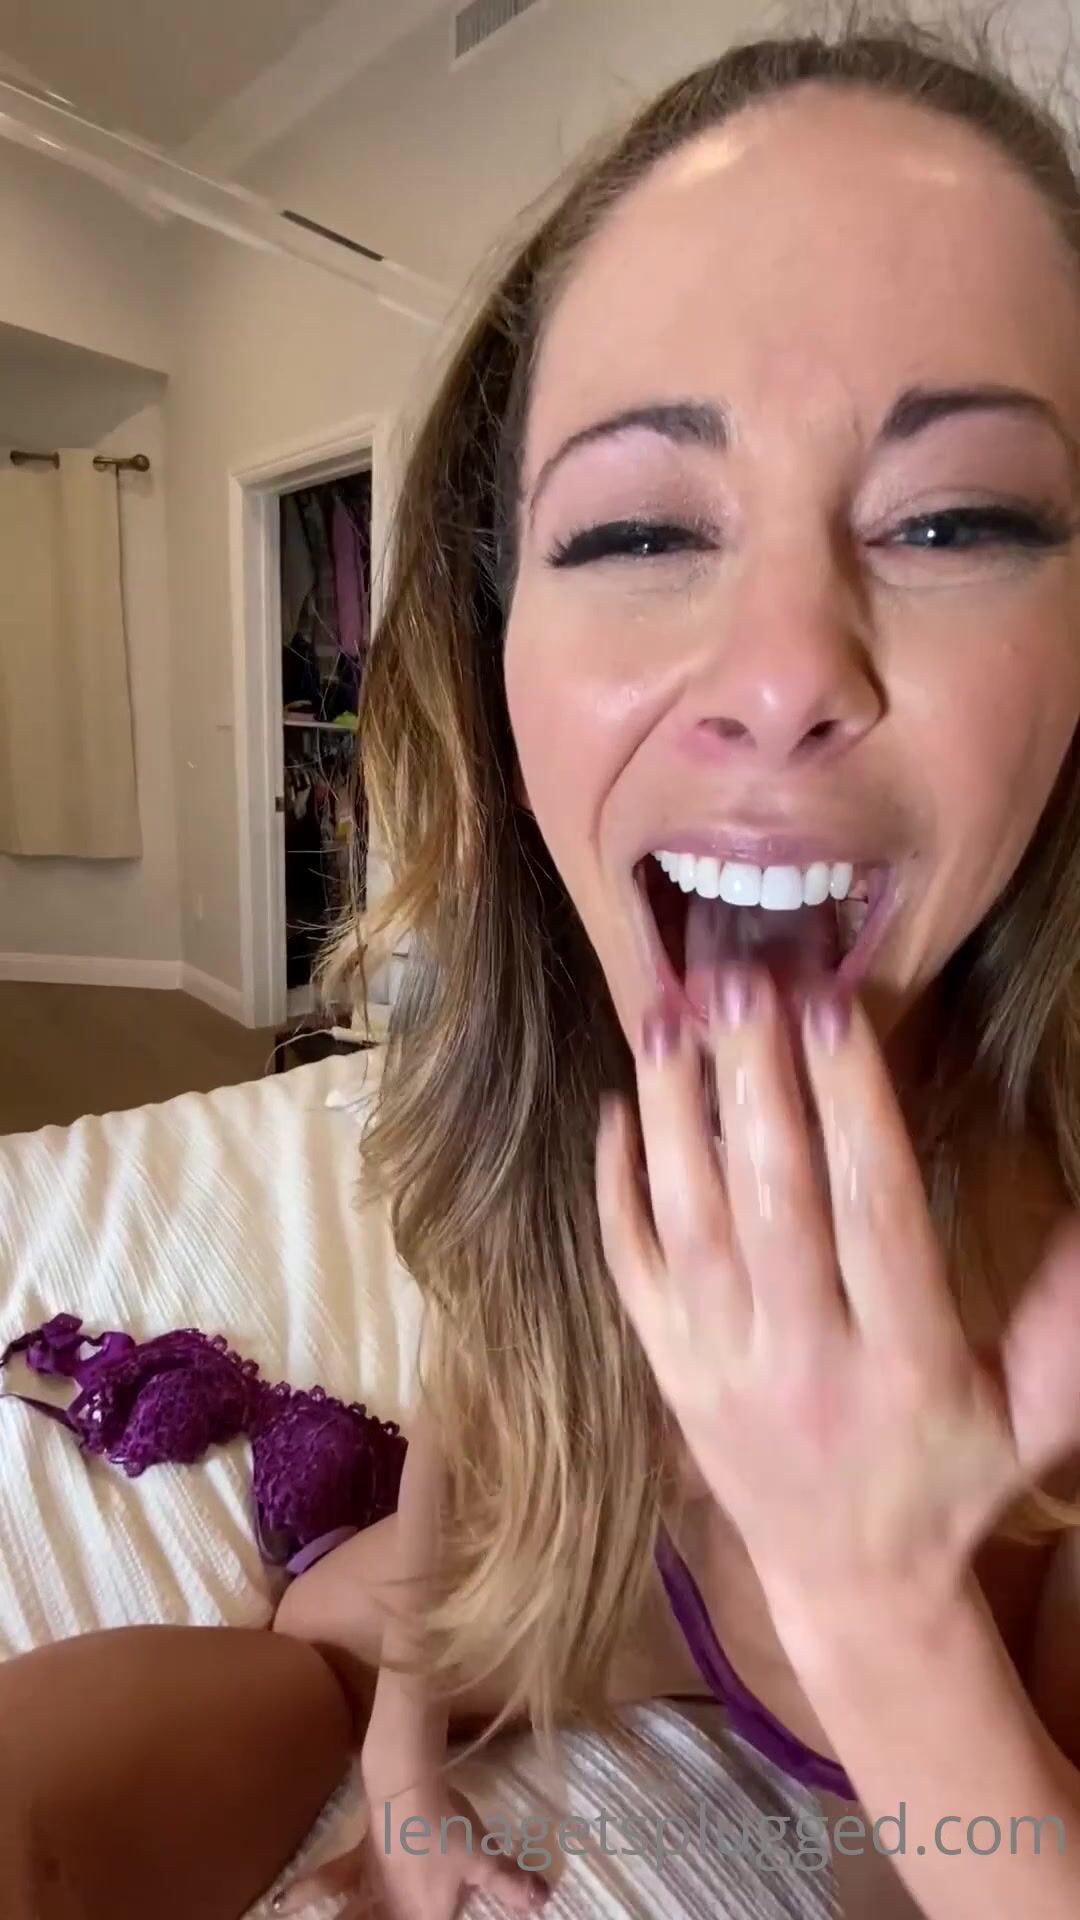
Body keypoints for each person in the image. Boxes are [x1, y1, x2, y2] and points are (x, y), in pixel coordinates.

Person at [269, 11, 1080, 1920]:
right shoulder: (574, 1072)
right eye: (637, 527)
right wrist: (403, 1787)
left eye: (952, 519)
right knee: (270, 1650)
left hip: (915, 1796)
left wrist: (877, 1601)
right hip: (630, 1597)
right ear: (493, 650)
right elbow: (482, 1381)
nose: (786, 672)